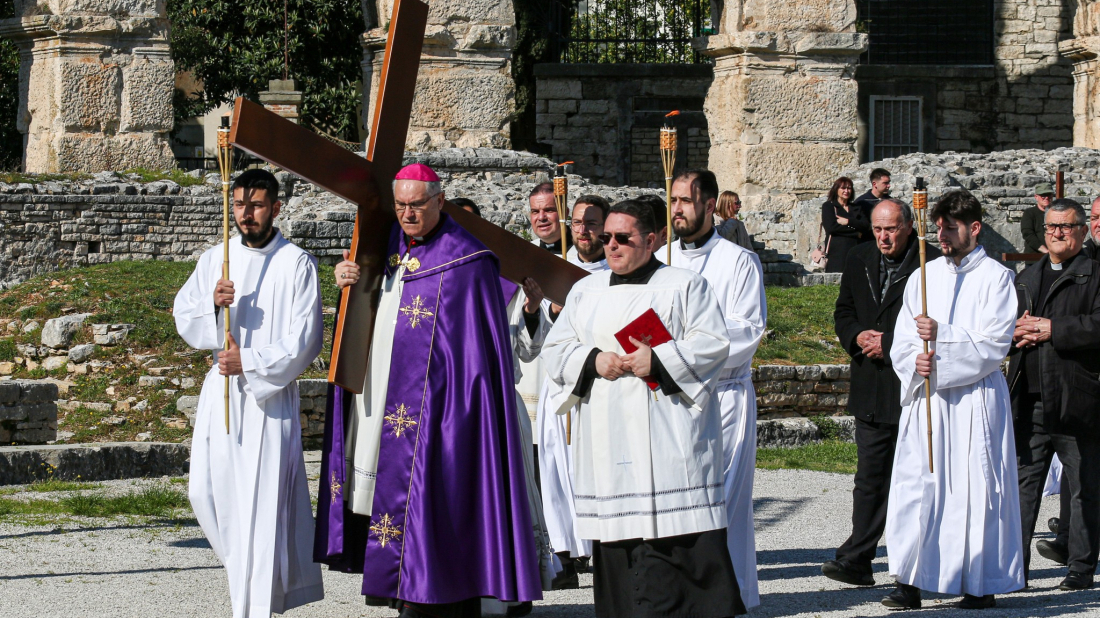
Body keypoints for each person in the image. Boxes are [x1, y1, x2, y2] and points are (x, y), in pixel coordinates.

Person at [314, 163, 542, 618]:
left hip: (443, 410)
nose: (408, 214)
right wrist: (348, 283)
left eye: (417, 204)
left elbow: (479, 355)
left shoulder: (468, 261)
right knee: (392, 500)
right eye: (400, 205)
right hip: (384, 399)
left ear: (440, 201)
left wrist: (458, 411)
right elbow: (369, 315)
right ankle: (401, 587)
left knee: (438, 502)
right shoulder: (386, 247)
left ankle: (438, 592)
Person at [542, 199, 744, 618]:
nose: (611, 245)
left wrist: (660, 359)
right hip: (608, 439)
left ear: (651, 240)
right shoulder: (585, 290)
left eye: (623, 237)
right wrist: (593, 359)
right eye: (606, 237)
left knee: (676, 545)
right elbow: (555, 349)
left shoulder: (684, 285)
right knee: (621, 550)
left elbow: (713, 344)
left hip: (668, 435)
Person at [174, 168, 325, 617]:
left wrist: (252, 362)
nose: (246, 214)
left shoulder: (296, 263)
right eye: (239, 205)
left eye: (256, 206)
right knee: (204, 492)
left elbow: (306, 338)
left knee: (260, 509)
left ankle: (251, 608)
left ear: (275, 208)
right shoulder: (215, 259)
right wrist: (211, 303)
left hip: (268, 398)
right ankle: (246, 581)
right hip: (221, 390)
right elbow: (184, 315)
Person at [884, 189, 1023, 610]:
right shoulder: (923, 277)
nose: (941, 235)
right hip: (928, 398)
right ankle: (909, 580)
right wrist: (914, 361)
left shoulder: (997, 278)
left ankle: (977, 582)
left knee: (974, 489)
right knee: (917, 484)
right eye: (939, 227)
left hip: (973, 400)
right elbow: (903, 338)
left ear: (974, 228)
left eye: (950, 228)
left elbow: (994, 344)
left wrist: (942, 339)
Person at [822, 199, 941, 587]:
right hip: (871, 383)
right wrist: (857, 335)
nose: (883, 237)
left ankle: (919, 565)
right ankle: (858, 558)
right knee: (870, 477)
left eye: (891, 229)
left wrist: (888, 343)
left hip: (912, 387)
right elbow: (844, 311)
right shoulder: (858, 258)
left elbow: (936, 323)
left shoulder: (931, 263)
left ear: (908, 226)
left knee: (916, 480)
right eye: (877, 229)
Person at [663, 169, 766, 609]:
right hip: (670, 396)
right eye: (673, 200)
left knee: (723, 500)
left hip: (723, 396)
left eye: (685, 201)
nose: (677, 209)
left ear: (709, 206)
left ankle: (731, 595)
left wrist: (684, 349)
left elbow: (747, 330)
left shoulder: (738, 261)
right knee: (676, 497)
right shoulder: (661, 258)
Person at [1008, 198, 1100, 591]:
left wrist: (1053, 329)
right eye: (1051, 227)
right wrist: (1014, 331)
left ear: (1082, 230)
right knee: (1022, 488)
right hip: (1028, 397)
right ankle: (1014, 569)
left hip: (1074, 395)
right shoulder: (1026, 277)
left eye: (1065, 226)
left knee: (1082, 486)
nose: (1057, 233)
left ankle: (1080, 567)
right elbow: (1002, 328)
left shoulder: (1095, 275)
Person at [537, 194, 611, 588]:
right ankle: (563, 552)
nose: (583, 230)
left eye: (592, 223)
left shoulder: (616, 269)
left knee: (596, 468)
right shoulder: (554, 267)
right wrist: (548, 311)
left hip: (599, 386)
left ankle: (602, 547)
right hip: (559, 386)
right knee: (555, 468)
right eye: (578, 222)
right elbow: (533, 330)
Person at [821, 177, 871, 273]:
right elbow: (831, 228)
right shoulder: (829, 206)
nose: (846, 191)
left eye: (849, 188)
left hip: (856, 249)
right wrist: (856, 233)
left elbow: (865, 225)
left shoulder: (856, 207)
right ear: (836, 189)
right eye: (843, 188)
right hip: (837, 252)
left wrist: (848, 221)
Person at [1021, 183, 1056, 254]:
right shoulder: (1029, 213)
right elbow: (1028, 234)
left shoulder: (1057, 213)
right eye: (1043, 195)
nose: (1046, 198)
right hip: (1034, 256)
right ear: (1036, 197)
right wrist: (1045, 250)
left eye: (1049, 195)